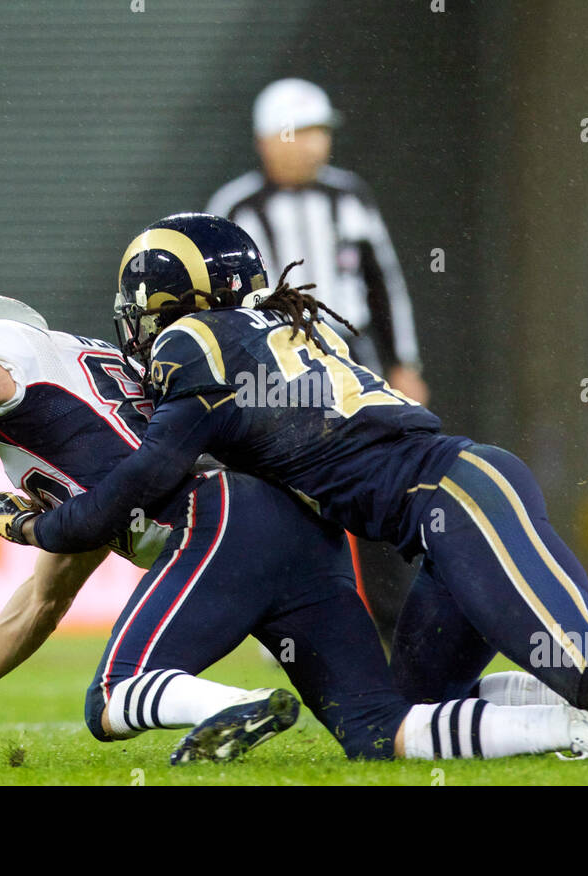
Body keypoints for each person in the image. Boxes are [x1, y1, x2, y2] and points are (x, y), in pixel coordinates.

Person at [0, 212, 588, 757]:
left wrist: (43, 526)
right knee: (396, 716)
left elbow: (148, 478)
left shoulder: (197, 343)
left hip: (452, 494)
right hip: (434, 514)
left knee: (582, 660)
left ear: (173, 303)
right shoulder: (270, 333)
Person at [0, 275, 588, 763]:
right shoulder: (63, 400)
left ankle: (237, 709)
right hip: (293, 526)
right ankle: (582, 732)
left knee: (114, 700)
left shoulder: (3, 364)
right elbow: (52, 584)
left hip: (220, 518)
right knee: (378, 731)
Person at [206, 78, 426, 640]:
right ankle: (281, 612)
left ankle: (394, 614)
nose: (314, 145)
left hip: (353, 364)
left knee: (378, 478)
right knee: (281, 488)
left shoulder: (349, 197)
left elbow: (384, 283)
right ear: (267, 139)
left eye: (320, 132)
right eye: (303, 132)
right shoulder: (234, 208)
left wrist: (404, 363)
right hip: (276, 370)